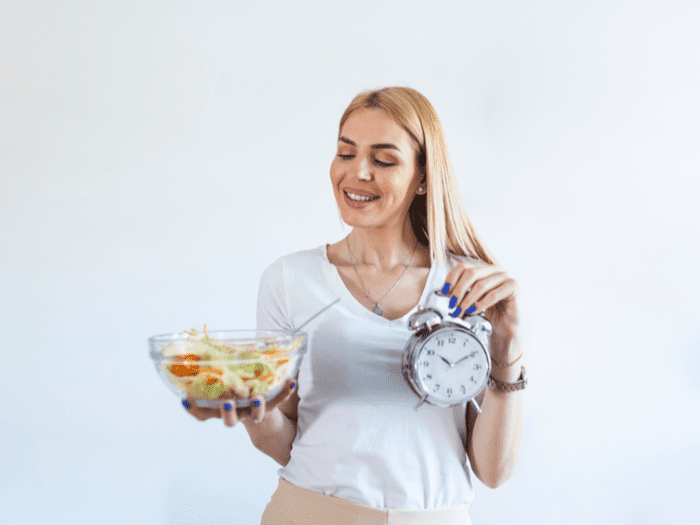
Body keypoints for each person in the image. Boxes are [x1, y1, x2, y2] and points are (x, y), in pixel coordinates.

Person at [183, 87, 525, 524]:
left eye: (383, 160)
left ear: (423, 177)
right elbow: (286, 441)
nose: (358, 172)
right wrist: (257, 413)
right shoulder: (289, 280)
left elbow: (493, 472)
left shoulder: (467, 287)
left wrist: (507, 346)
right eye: (346, 153)